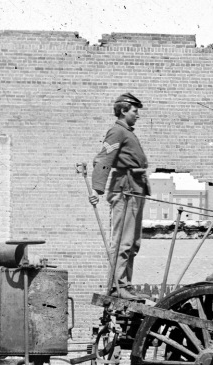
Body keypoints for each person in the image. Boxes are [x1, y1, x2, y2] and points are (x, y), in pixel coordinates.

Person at [90, 92, 151, 300]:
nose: (137, 115)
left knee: (133, 243)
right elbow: (103, 159)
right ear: (124, 110)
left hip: (135, 189)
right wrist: (96, 189)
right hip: (125, 190)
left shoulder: (127, 132)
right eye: (135, 111)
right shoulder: (117, 131)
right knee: (123, 241)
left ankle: (125, 284)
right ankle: (118, 286)